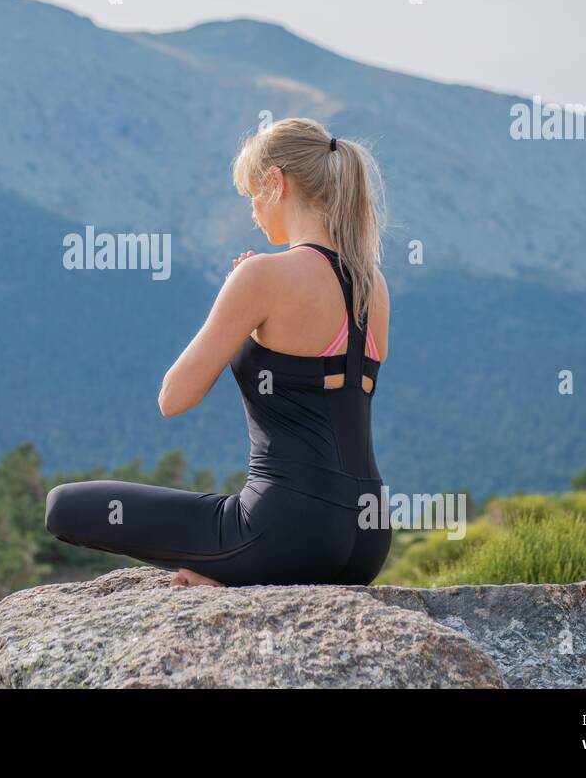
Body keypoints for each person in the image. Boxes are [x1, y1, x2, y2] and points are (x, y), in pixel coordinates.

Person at [45, 118, 392, 587]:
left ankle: (233, 569)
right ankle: (232, 571)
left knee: (64, 505)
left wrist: (241, 302)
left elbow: (174, 398)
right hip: (366, 538)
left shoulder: (261, 276)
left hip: (285, 531)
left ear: (277, 183)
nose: (251, 212)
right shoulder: (374, 285)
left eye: (252, 194)